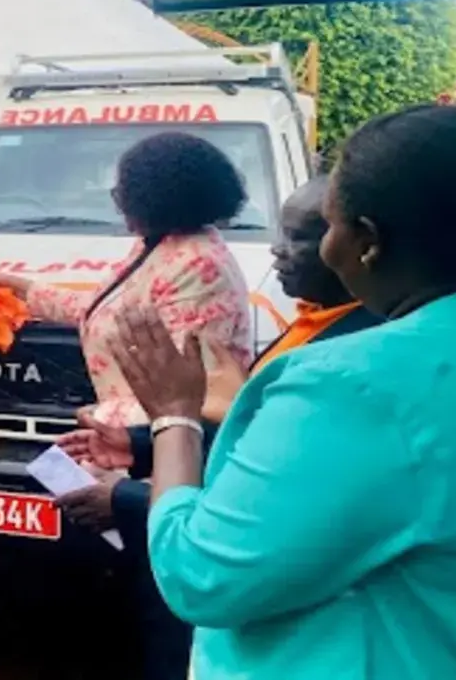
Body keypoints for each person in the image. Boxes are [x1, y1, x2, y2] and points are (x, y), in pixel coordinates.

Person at [118, 105, 456, 679]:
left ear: (365, 241)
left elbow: (201, 577)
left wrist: (173, 421)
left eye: (330, 225)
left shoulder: (354, 383)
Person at [55, 178, 380, 680]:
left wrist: (125, 497)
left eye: (299, 236)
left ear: (364, 243)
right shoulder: (317, 323)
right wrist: (136, 446)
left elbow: (275, 503)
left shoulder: (351, 357)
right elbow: (253, 440)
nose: (277, 249)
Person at [0, 131, 254, 430]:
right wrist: (23, 290)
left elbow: (184, 394)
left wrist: (103, 417)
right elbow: (110, 310)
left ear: (157, 198)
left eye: (122, 193)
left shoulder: (200, 267)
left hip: (161, 452)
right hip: (126, 442)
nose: (118, 204)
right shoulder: (159, 244)